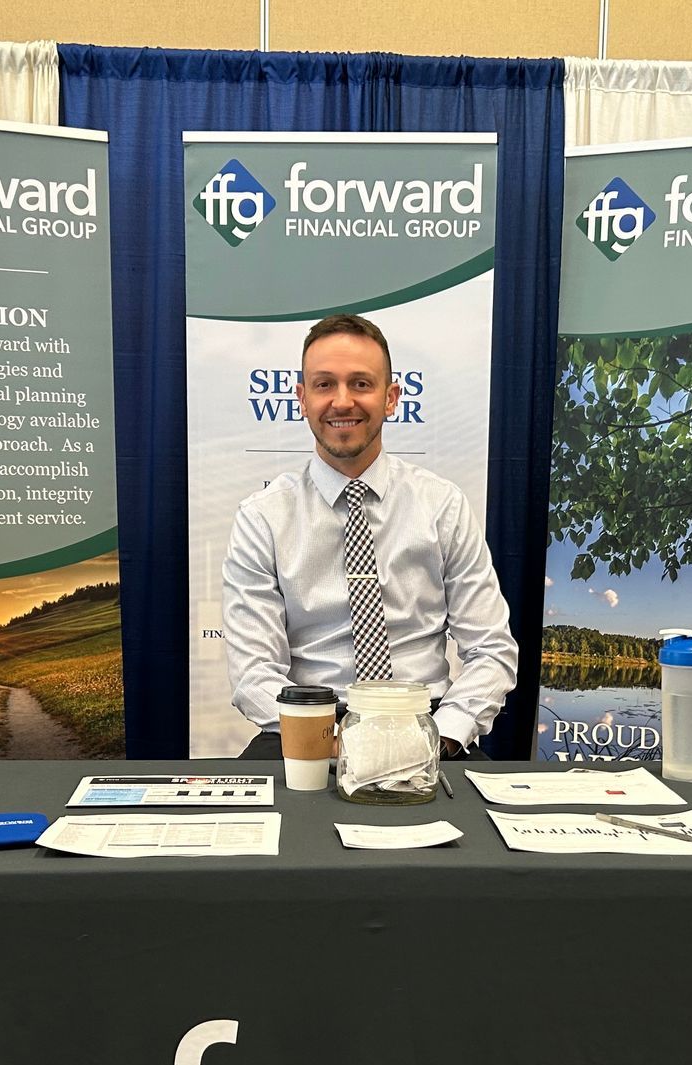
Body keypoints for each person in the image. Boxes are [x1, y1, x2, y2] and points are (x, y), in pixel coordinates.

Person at [221, 313, 518, 760]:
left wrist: (441, 735)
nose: (342, 401)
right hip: (310, 725)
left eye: (361, 384)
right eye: (324, 385)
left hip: (427, 724)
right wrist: (340, 740)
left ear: (391, 397)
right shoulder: (262, 517)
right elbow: (254, 673)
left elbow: (492, 650)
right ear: (301, 398)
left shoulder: (442, 505)